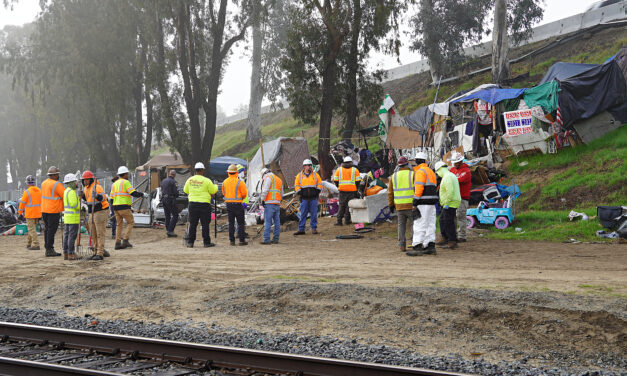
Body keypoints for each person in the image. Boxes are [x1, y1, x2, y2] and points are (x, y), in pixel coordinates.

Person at [407, 152, 439, 257]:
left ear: (416, 161)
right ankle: (430, 246)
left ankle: (417, 246)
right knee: (430, 223)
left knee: (419, 223)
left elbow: (419, 188)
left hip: (423, 202)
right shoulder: (431, 171)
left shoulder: (420, 172)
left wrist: (415, 202)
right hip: (432, 202)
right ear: (425, 161)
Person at [110, 166, 147, 250]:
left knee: (119, 225)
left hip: (116, 207)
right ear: (125, 174)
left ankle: (117, 243)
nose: (128, 175)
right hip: (124, 207)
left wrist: (114, 207)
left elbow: (111, 198)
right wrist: (142, 194)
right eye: (127, 174)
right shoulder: (126, 182)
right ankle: (125, 240)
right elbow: (132, 193)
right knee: (131, 222)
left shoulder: (114, 184)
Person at [183, 162, 218, 248]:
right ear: (202, 170)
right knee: (205, 224)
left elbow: (185, 190)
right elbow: (213, 191)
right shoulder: (207, 180)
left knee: (193, 224)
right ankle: (206, 242)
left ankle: (190, 242)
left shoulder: (190, 180)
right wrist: (216, 186)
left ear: (195, 170)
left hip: (192, 204)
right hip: (204, 205)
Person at [81, 171, 110, 260]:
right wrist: (81, 196)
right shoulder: (86, 188)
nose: (85, 181)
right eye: (84, 180)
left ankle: (100, 253)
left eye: (87, 180)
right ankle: (95, 251)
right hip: (91, 212)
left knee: (100, 233)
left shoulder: (97, 187)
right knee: (93, 233)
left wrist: (97, 195)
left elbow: (103, 198)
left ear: (90, 179)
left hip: (101, 211)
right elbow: (87, 199)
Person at [387, 156, 414, 253]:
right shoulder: (412, 174)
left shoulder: (393, 177)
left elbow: (390, 192)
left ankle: (402, 246)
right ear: (407, 164)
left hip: (399, 206)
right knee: (413, 225)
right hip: (411, 205)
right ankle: (415, 243)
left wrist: (390, 205)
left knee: (401, 226)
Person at [434, 161, 462, 249]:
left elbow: (450, 191)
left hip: (450, 203)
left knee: (448, 222)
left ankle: (452, 241)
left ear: (440, 169)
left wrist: (446, 203)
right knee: (443, 220)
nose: (438, 174)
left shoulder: (447, 177)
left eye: (437, 172)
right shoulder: (450, 175)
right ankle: (445, 237)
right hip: (451, 202)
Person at [41, 166, 65, 257]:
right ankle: (49, 249)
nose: (58, 175)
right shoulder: (57, 184)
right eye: (57, 174)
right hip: (53, 210)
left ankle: (47, 247)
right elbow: (64, 195)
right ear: (54, 175)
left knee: (47, 229)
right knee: (51, 230)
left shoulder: (44, 183)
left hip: (44, 210)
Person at [293, 159, 322, 235]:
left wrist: (317, 191)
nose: (310, 167)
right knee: (303, 214)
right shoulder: (299, 176)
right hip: (304, 198)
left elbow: (320, 183)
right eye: (308, 165)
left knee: (314, 213)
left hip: (313, 198)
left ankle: (314, 228)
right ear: (304, 166)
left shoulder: (315, 175)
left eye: (310, 165)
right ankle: (301, 229)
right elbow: (296, 185)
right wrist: (300, 192)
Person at [222, 164, 248, 246]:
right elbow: (244, 194)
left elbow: (224, 193)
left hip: (229, 205)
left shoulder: (224, 182)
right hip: (238, 204)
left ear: (228, 172)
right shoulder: (240, 182)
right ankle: (241, 240)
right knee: (240, 223)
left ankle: (232, 241)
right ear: (236, 172)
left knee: (231, 223)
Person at [332, 156, 361, 226]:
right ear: (351, 162)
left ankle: (339, 221)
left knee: (341, 205)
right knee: (349, 206)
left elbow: (335, 180)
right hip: (352, 191)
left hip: (342, 191)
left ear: (343, 162)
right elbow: (358, 181)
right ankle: (347, 220)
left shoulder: (339, 170)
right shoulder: (355, 170)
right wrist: (355, 188)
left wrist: (339, 186)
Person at [449, 152, 471, 242]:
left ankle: (462, 236)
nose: (454, 164)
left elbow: (458, 180)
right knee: (453, 216)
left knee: (461, 216)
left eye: (456, 162)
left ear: (460, 161)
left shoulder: (466, 171)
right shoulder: (452, 170)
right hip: (454, 198)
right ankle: (454, 235)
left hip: (463, 197)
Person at [18, 175, 42, 250]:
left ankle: (36, 244)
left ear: (27, 183)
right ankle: (28, 243)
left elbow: (22, 203)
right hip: (38, 213)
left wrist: (20, 212)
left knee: (31, 229)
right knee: (32, 228)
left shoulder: (27, 192)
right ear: (34, 183)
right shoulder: (39, 191)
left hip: (30, 213)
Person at [260, 168, 283, 245]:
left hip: (269, 203)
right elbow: (281, 193)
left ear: (264, 174)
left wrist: (262, 200)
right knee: (277, 222)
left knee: (268, 222)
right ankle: (276, 239)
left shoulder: (268, 178)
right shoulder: (279, 179)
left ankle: (266, 239)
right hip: (277, 203)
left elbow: (265, 190)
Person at [62, 173, 81, 261]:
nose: (77, 183)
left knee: (67, 236)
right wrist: (81, 205)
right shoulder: (72, 192)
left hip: (67, 218)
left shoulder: (66, 191)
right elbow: (75, 205)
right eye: (76, 182)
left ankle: (66, 253)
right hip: (73, 218)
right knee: (72, 237)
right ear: (72, 182)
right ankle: (71, 253)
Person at [161, 170, 179, 237]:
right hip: (170, 200)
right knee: (175, 215)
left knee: (167, 215)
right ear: (174, 175)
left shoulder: (163, 181)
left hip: (164, 199)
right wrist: (177, 195)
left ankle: (168, 229)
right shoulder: (173, 182)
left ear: (169, 174)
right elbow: (175, 192)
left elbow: (162, 190)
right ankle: (170, 230)